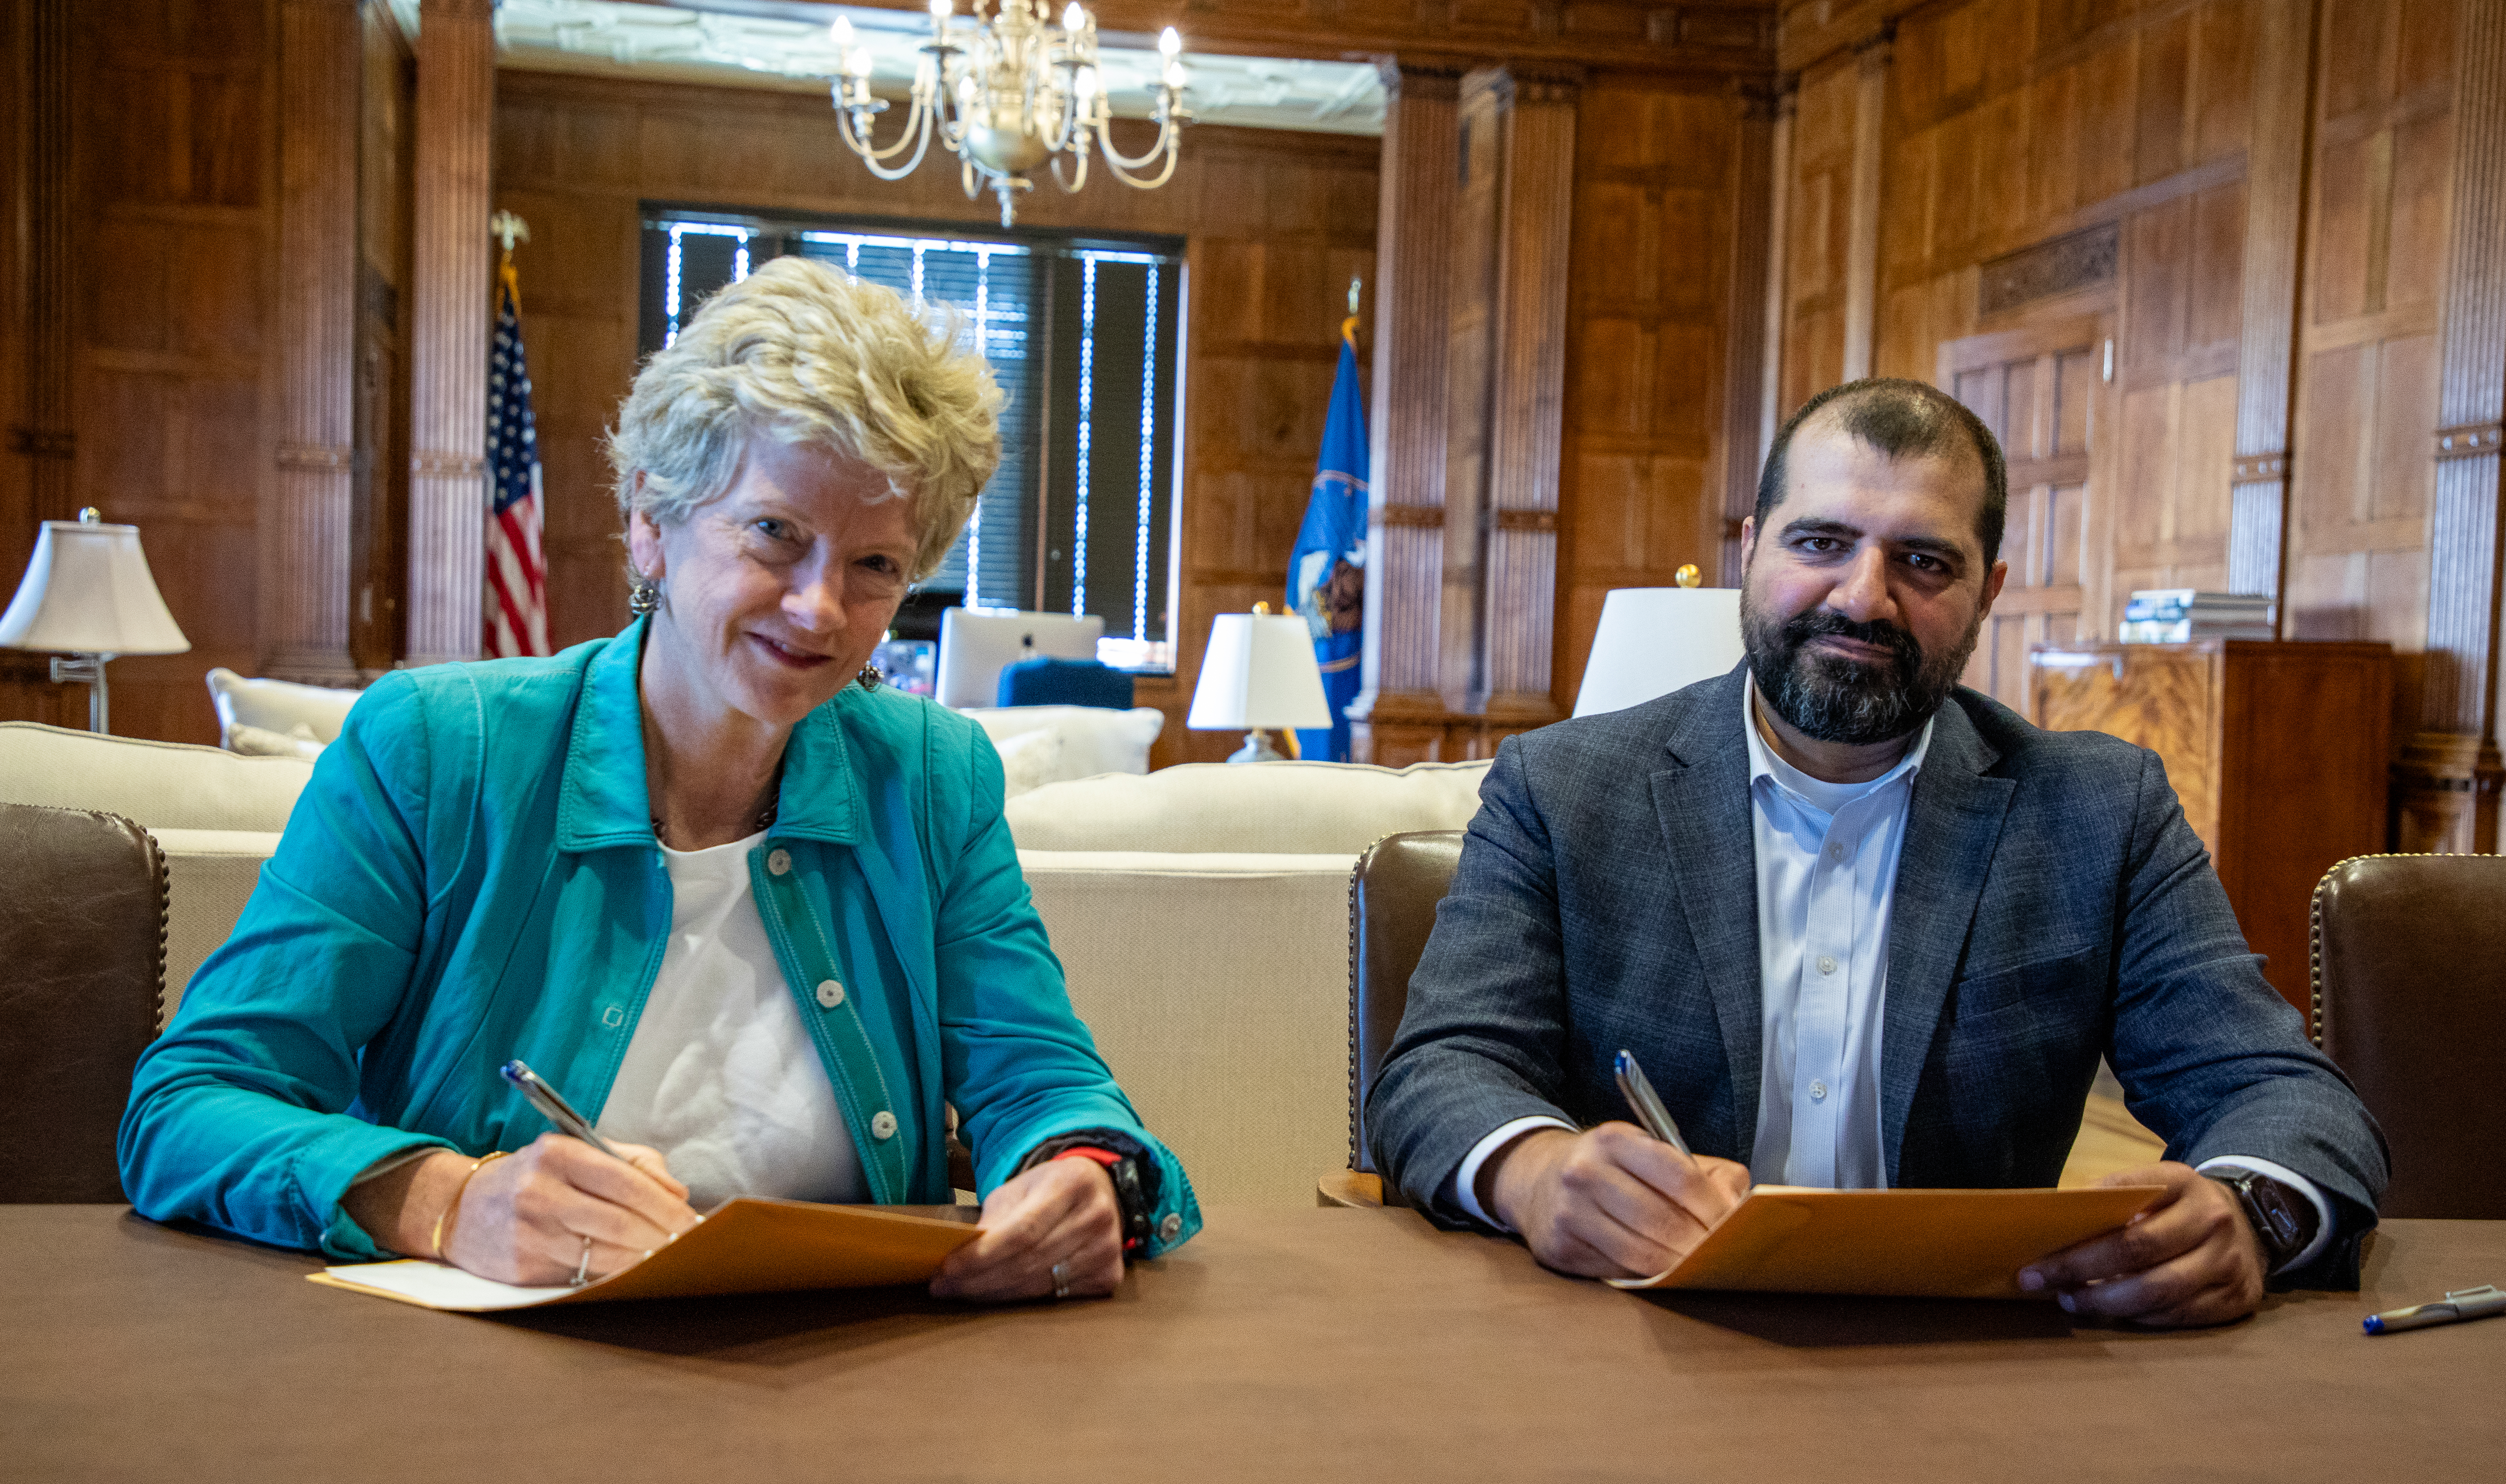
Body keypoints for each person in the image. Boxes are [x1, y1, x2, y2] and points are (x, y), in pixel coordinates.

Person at [120, 257, 1197, 1297]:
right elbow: (189, 1102)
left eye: (874, 566)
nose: (821, 609)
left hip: (850, 1385)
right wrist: (447, 1201)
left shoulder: (933, 778)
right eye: (774, 533)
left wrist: (1079, 1172)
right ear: (651, 520)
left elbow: (1046, 1080)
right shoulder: (435, 748)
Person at [1365, 377, 2386, 1328]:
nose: (1863, 597)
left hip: (1962, 1356)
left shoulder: (2098, 809)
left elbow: (2279, 1093)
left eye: (1922, 561)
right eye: (1820, 542)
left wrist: (2255, 1214)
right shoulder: (1563, 786)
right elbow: (1441, 1069)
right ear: (1751, 548)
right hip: (1632, 1334)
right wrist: (1537, 1173)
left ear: (1986, 592)